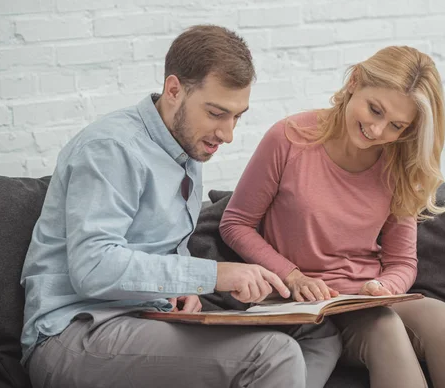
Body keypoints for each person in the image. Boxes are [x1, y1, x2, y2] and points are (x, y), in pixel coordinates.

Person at [20, 25, 341, 388]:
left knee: (319, 335)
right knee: (272, 353)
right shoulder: (111, 148)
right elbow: (93, 266)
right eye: (217, 113)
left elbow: (154, 252)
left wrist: (181, 289)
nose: (228, 133)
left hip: (146, 319)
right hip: (74, 334)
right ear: (174, 90)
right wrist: (213, 275)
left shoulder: (185, 150)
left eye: (237, 116)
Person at [220, 46, 445, 388]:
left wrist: (384, 288)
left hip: (361, 298)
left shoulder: (399, 164)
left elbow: (402, 261)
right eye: (374, 110)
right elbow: (235, 224)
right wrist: (293, 276)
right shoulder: (290, 138)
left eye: (396, 125)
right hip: (302, 304)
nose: (377, 131)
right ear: (354, 82)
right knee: (384, 326)